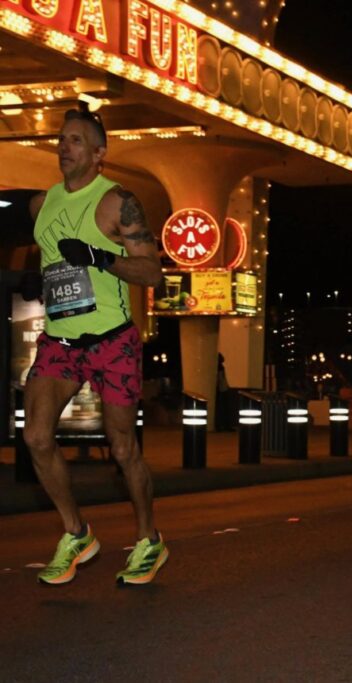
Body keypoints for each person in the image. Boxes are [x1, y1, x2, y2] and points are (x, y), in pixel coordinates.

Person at [22, 107, 166, 585]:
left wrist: (102, 257)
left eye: (77, 141)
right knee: (36, 437)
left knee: (123, 448)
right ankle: (76, 532)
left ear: (100, 154)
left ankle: (148, 540)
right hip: (61, 339)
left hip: (112, 341)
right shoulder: (41, 205)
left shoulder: (118, 202)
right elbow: (47, 263)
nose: (65, 147)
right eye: (62, 139)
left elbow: (152, 273)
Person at [214, 353, 233, 432]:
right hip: (222, 389)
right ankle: (225, 425)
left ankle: (220, 425)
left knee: (220, 409)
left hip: (220, 389)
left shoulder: (217, 368)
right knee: (224, 408)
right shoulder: (220, 368)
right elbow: (222, 379)